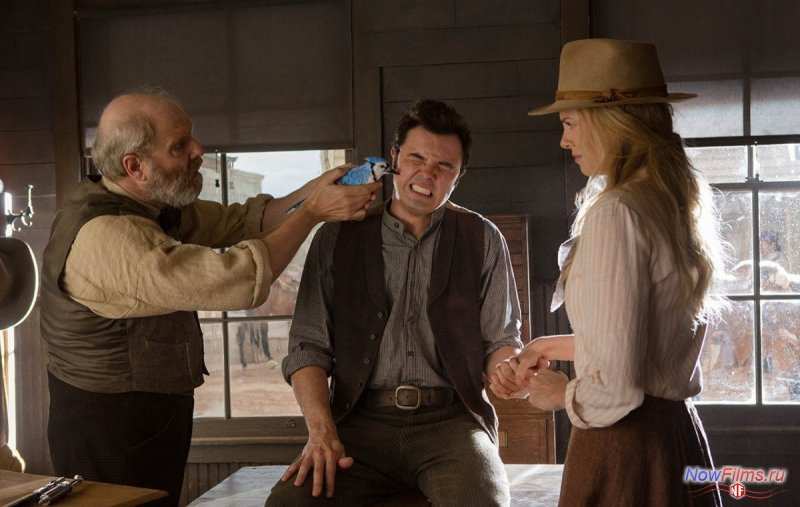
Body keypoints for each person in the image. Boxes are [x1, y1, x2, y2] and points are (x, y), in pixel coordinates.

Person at [40, 90, 380, 506]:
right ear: (135, 166)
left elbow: (243, 222)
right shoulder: (108, 237)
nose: (199, 150)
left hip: (149, 411)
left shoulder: (150, 203)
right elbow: (236, 278)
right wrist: (312, 213)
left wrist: (316, 189)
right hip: (109, 424)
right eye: (179, 146)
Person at [495, 39, 726, 506]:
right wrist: (545, 347)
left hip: (626, 452)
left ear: (612, 122)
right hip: (675, 440)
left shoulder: (616, 213)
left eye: (569, 122)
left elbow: (616, 390)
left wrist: (561, 394)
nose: (563, 140)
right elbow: (641, 343)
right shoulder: (668, 204)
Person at [266, 99, 523, 506]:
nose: (427, 173)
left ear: (458, 176)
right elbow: (307, 347)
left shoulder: (484, 238)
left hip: (452, 425)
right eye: (417, 157)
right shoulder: (336, 238)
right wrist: (321, 432)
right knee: (287, 504)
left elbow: (501, 341)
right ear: (395, 158)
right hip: (359, 423)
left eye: (444, 166)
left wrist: (508, 371)